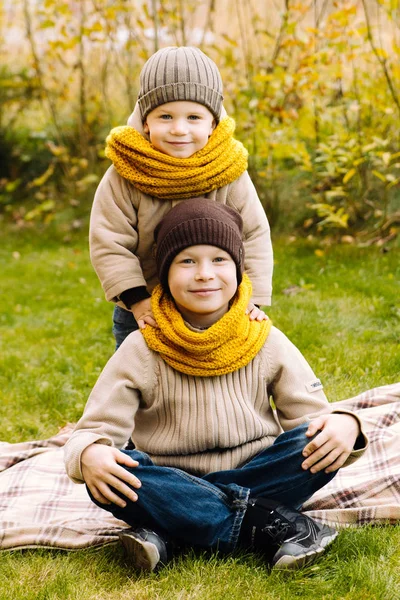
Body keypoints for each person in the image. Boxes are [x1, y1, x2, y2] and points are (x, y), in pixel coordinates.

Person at [64, 199, 368, 572]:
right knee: (112, 477)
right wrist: (89, 455)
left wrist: (345, 424)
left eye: (219, 260)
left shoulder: (264, 338)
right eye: (187, 261)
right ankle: (269, 523)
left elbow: (314, 416)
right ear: (164, 273)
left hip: (260, 469)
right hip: (171, 478)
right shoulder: (142, 347)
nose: (204, 274)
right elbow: (93, 431)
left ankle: (176, 528)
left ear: (239, 269)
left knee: (316, 444)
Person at [89, 46, 273, 348]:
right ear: (145, 121)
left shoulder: (227, 170)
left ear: (213, 124)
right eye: (165, 116)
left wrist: (252, 298)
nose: (179, 129)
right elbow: (108, 241)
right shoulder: (126, 173)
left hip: (215, 302)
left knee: (214, 381)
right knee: (141, 379)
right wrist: (135, 299)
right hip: (146, 306)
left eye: (193, 117)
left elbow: (253, 234)